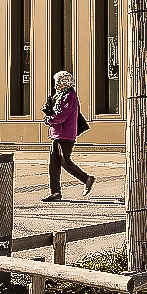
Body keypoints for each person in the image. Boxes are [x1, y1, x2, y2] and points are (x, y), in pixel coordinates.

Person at [42, 71, 95, 202]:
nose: (56, 85)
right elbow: (57, 113)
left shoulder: (70, 96)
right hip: (57, 133)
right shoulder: (59, 95)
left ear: (64, 82)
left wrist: (49, 119)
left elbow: (61, 116)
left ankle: (86, 178)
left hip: (65, 134)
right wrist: (48, 109)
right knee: (53, 164)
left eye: (58, 82)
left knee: (65, 161)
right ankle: (55, 193)